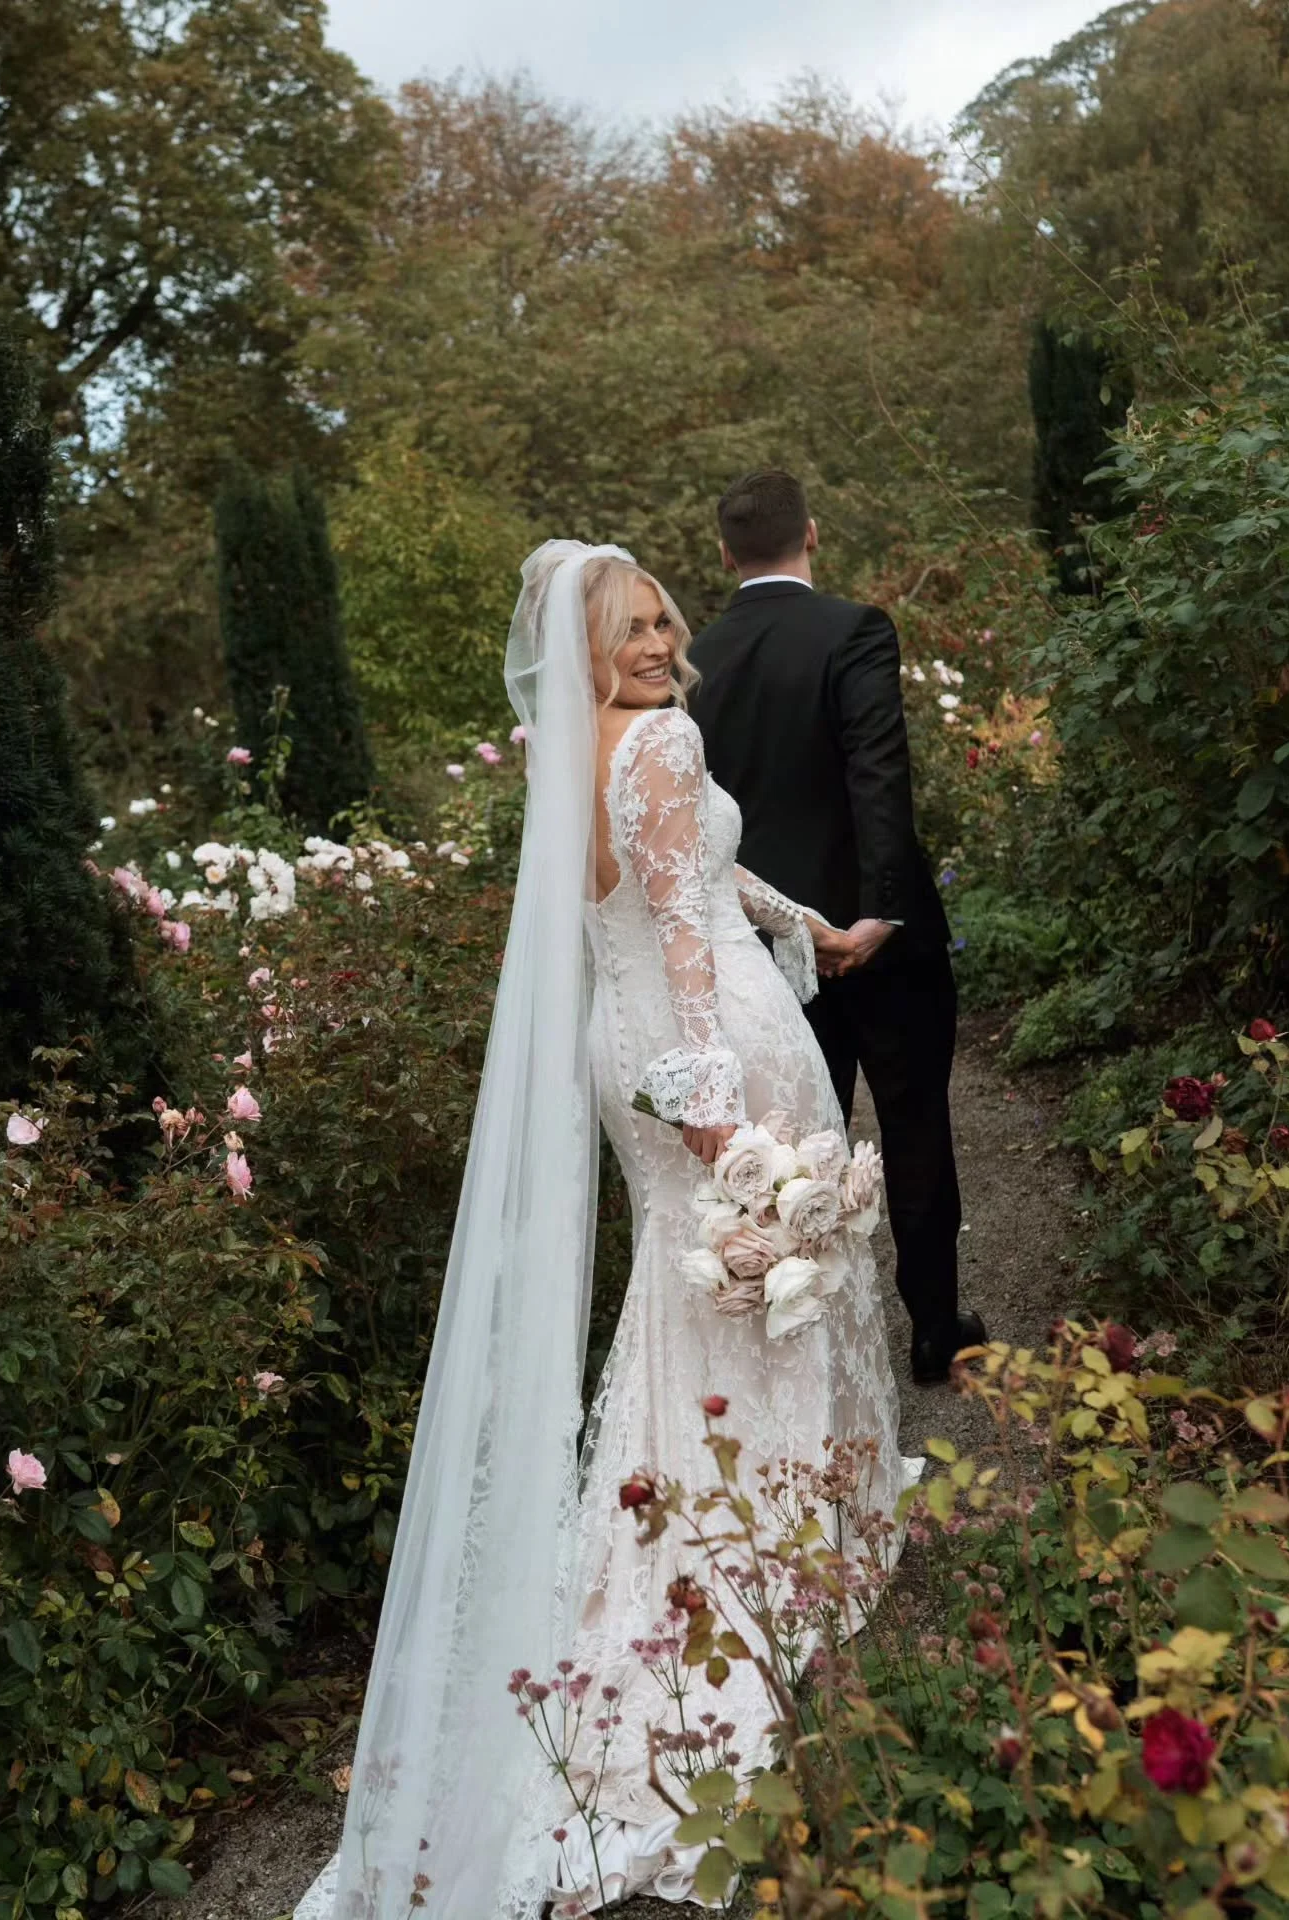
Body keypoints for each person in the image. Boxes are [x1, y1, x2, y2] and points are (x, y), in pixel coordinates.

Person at [294, 542, 917, 1920]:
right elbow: (687, 942)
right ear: (584, 648)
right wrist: (714, 1105)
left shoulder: (578, 752)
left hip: (619, 1049)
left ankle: (692, 1527)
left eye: (659, 619)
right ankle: (772, 1562)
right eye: (628, 628)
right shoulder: (671, 739)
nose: (653, 641)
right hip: (709, 1055)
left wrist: (811, 921)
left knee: (693, 1293)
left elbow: (680, 886)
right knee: (769, 1268)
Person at [688, 469, 984, 1387]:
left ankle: (805, 1341)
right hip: (878, 944)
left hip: (770, 945)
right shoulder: (853, 629)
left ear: (726, 553)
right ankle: (936, 1331)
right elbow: (877, 774)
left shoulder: (696, 656)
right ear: (811, 535)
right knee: (915, 1125)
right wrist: (877, 916)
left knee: (791, 1142)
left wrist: (791, 926)